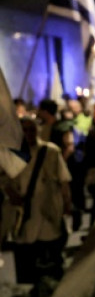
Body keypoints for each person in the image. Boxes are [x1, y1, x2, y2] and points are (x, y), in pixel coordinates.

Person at [0, 116, 72, 283]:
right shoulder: (10, 153)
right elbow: (3, 179)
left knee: (49, 262)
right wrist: (11, 193)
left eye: (31, 129)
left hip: (47, 214)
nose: (28, 134)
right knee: (25, 262)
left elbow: (64, 181)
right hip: (22, 217)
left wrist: (67, 205)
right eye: (24, 130)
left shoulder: (51, 152)